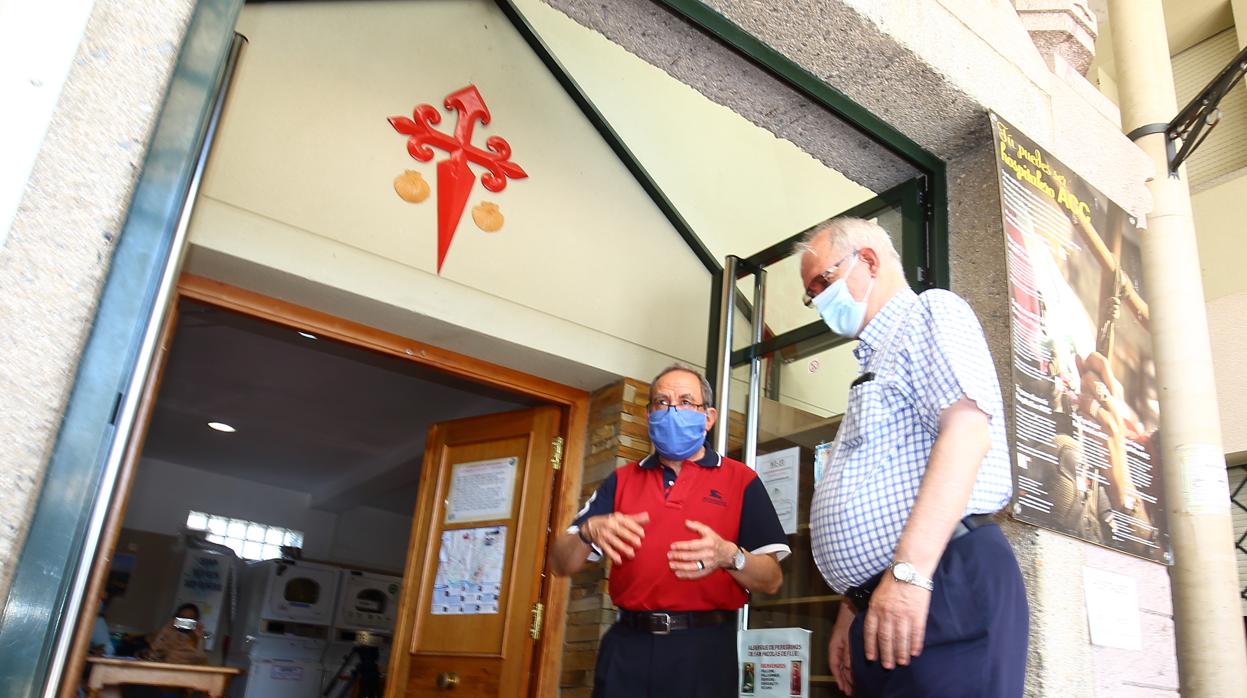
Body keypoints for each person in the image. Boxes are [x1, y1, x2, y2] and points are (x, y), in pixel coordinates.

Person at [798, 217, 1027, 697]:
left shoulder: (929, 313)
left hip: (939, 582)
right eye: (811, 292)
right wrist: (853, 606)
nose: (817, 299)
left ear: (870, 260)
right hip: (895, 595)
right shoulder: (878, 358)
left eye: (823, 281)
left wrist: (909, 574)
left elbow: (967, 432)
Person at [550, 365, 790, 698]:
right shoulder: (621, 480)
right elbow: (561, 563)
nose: (671, 410)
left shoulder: (742, 480)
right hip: (626, 648)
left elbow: (772, 579)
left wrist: (729, 556)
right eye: (661, 402)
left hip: (704, 653)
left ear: (708, 418)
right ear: (649, 414)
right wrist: (588, 531)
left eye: (685, 401)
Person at [139, 603, 208, 665]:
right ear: (175, 618)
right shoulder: (166, 632)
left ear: (195, 621)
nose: (185, 622)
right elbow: (153, 651)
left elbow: (200, 659)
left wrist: (200, 638)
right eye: (182, 618)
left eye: (190, 619)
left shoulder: (196, 639)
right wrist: (164, 630)